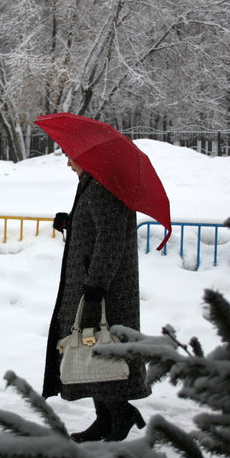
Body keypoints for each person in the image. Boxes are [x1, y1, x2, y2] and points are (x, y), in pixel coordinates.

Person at [43, 155, 150, 442]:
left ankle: (120, 414)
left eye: (70, 158)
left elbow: (111, 237)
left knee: (101, 348)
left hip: (104, 290)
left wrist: (96, 285)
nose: (68, 164)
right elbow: (96, 227)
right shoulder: (94, 183)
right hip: (92, 283)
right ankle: (105, 420)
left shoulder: (103, 186)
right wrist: (70, 222)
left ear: (87, 159)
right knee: (91, 350)